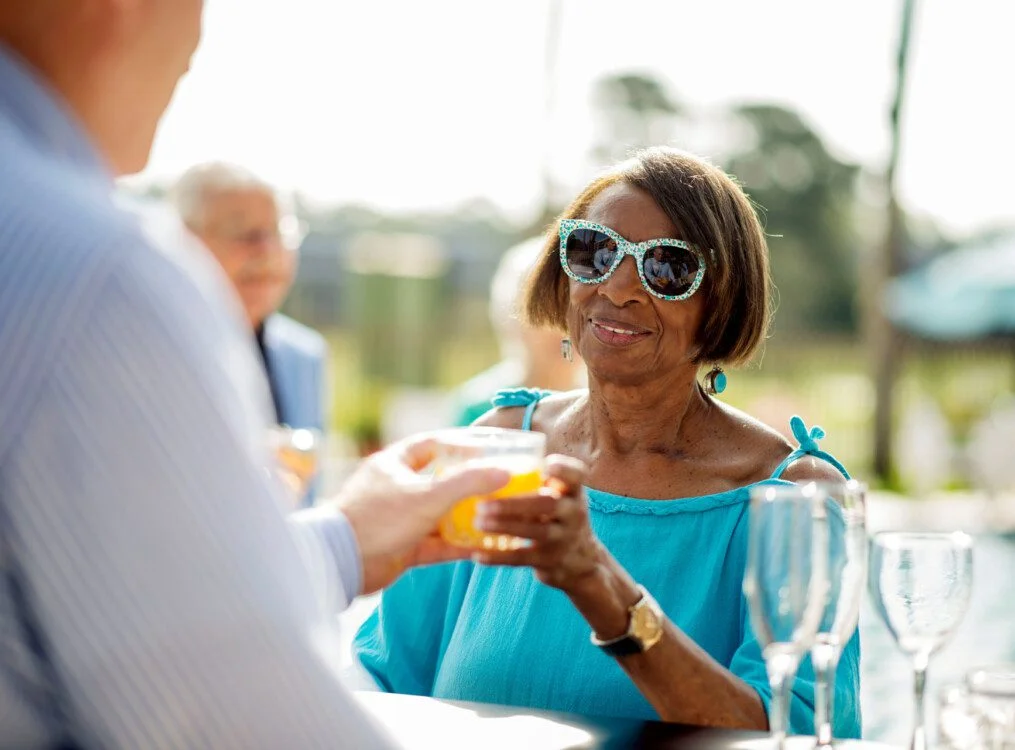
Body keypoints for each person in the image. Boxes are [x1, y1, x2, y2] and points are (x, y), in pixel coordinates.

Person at [0, 3, 546, 746]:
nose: (198, 31)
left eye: (277, 234)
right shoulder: (100, 278)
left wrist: (344, 537)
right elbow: (236, 720)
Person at [354, 147, 862, 737]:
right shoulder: (494, 449)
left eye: (667, 267)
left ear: (722, 301)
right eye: (593, 251)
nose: (618, 288)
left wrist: (598, 584)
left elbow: (795, 735)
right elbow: (382, 678)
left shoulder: (796, 501)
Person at [172, 162, 327, 505]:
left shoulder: (304, 355)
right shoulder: (159, 352)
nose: (267, 251)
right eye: (245, 234)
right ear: (184, 241)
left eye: (279, 233)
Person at [452, 237, 584, 426]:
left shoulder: (607, 407)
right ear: (511, 316)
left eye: (572, 306)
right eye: (545, 310)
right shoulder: (479, 408)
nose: (561, 327)